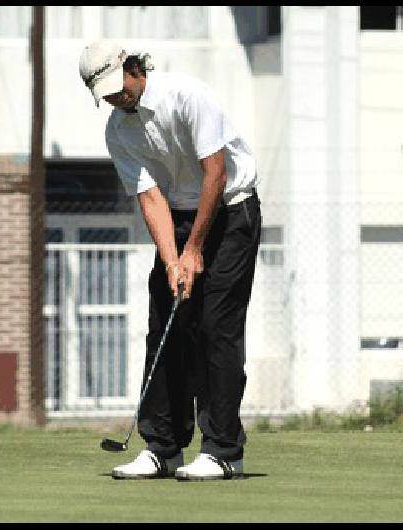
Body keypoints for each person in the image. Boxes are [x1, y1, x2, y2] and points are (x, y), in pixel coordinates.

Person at [78, 41, 262, 481]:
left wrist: (195, 249)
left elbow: (215, 173)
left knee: (217, 328)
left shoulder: (188, 96)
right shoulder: (118, 132)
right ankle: (162, 447)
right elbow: (150, 196)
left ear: (134, 67)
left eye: (116, 87)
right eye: (104, 93)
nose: (114, 98)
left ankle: (223, 451)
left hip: (231, 212)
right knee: (165, 323)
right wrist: (172, 260)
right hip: (177, 219)